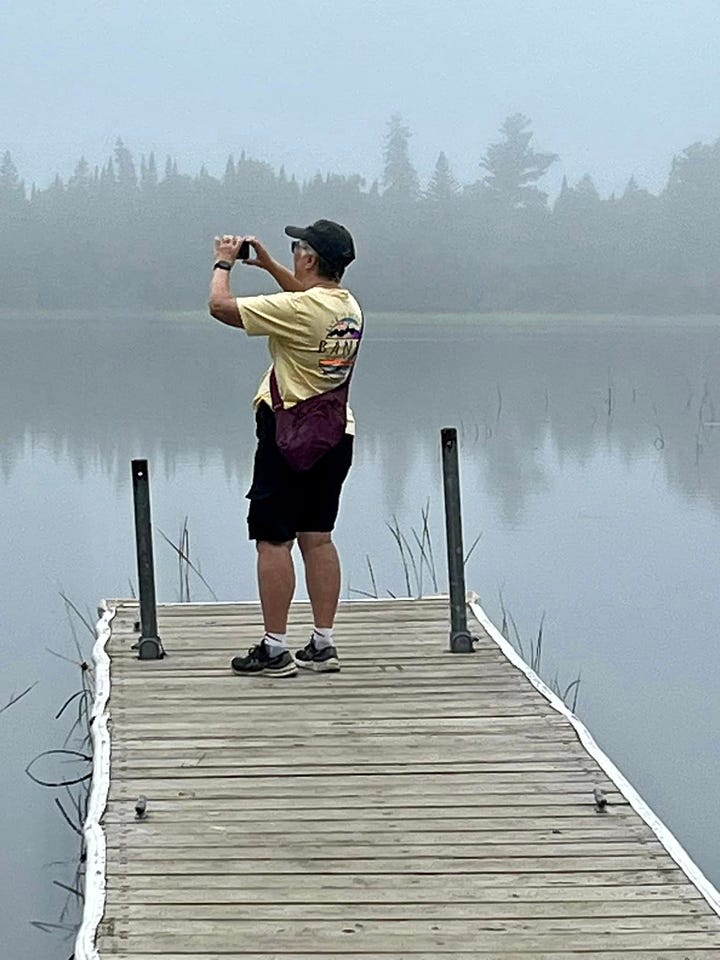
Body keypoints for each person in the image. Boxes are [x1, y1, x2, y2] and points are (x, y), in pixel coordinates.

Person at [208, 220, 362, 678]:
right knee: (318, 537)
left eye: (298, 248)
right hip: (335, 435)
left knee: (274, 539)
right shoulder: (347, 307)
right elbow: (304, 296)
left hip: (288, 436)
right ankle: (323, 643)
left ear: (311, 258)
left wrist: (224, 261)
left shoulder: (301, 311)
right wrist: (271, 263)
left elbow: (220, 307)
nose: (295, 253)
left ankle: (275, 649)